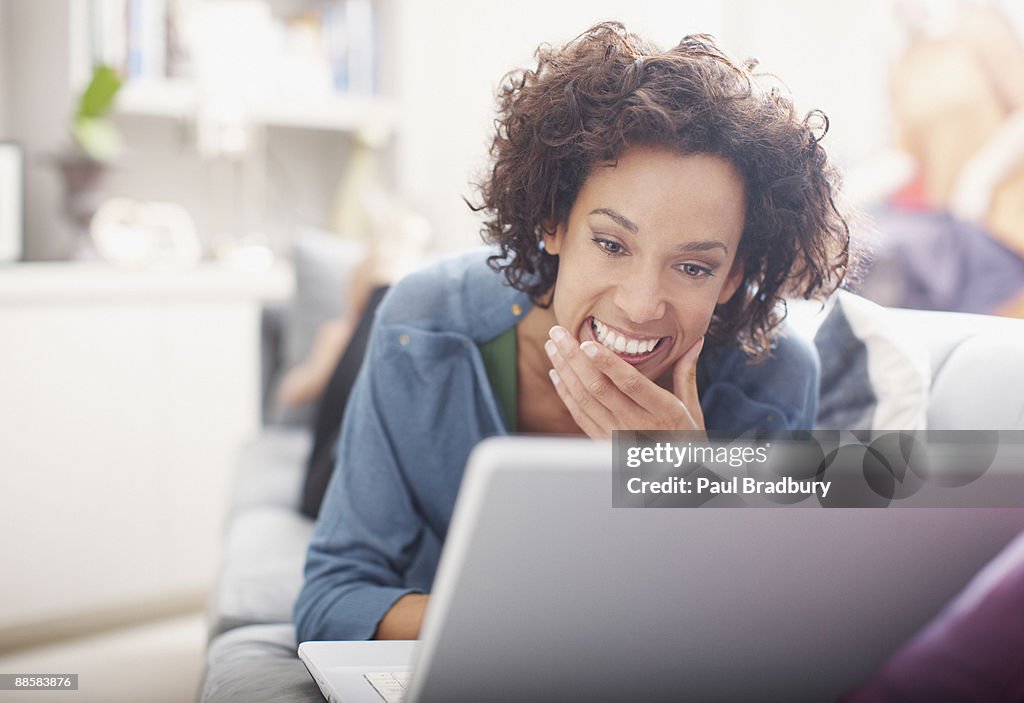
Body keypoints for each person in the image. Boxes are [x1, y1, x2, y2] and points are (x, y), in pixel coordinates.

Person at [294, 22, 850, 643]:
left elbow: (753, 637)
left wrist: (691, 490)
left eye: (693, 266)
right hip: (399, 338)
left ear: (732, 277)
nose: (640, 307)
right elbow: (331, 600)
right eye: (611, 243)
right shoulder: (424, 329)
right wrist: (552, 628)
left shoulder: (776, 374)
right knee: (377, 317)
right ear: (554, 221)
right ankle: (362, 299)